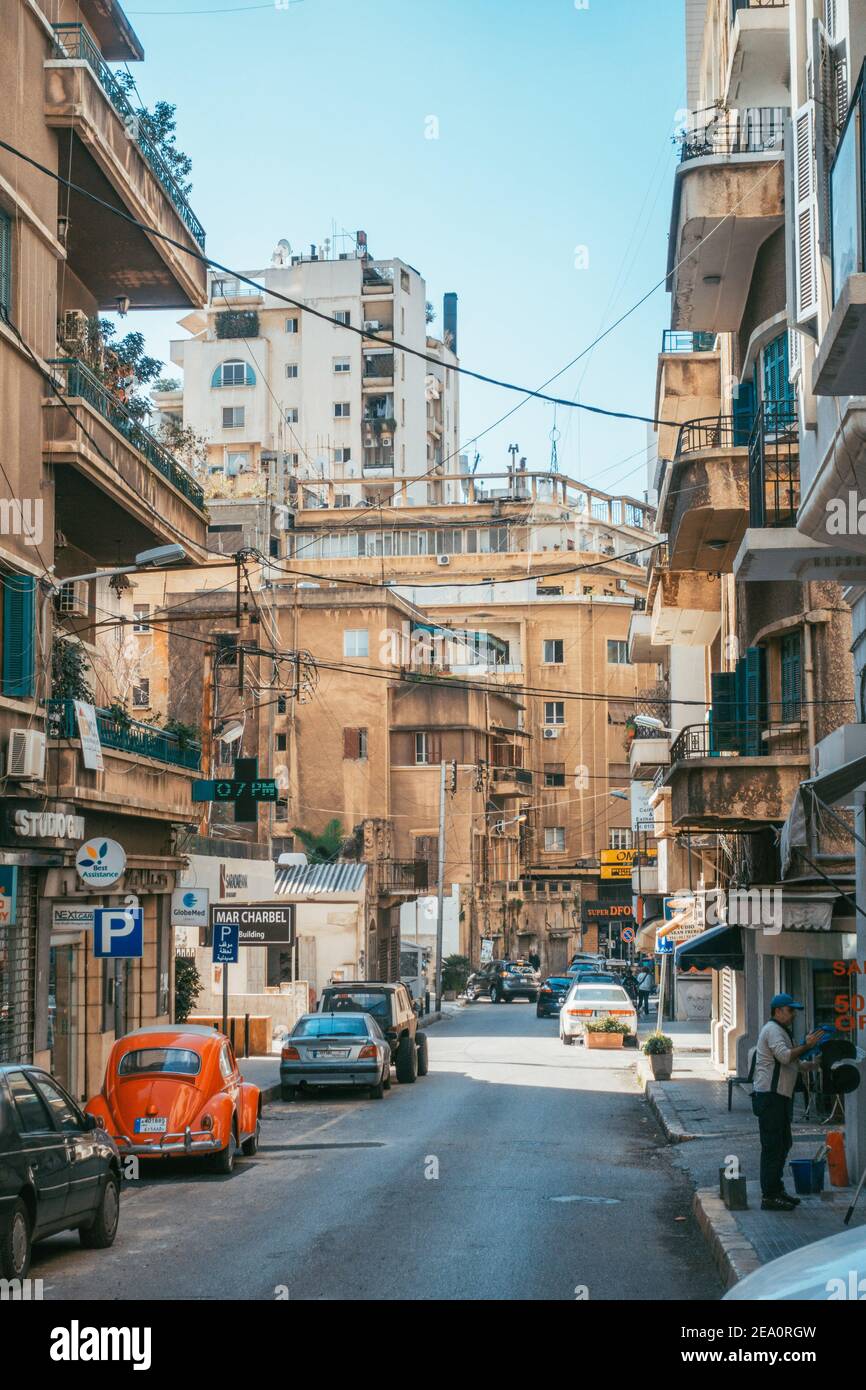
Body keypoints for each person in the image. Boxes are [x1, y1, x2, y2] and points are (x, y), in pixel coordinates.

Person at [752, 994, 823, 1212]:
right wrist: (806, 1045)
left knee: (783, 1144)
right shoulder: (773, 1030)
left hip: (780, 1097)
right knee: (773, 1147)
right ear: (778, 1010)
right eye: (790, 1011)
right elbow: (785, 1057)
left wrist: (812, 1064)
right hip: (770, 1097)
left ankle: (777, 1189)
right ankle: (769, 1196)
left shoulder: (782, 1031)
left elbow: (795, 1063)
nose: (793, 1015)